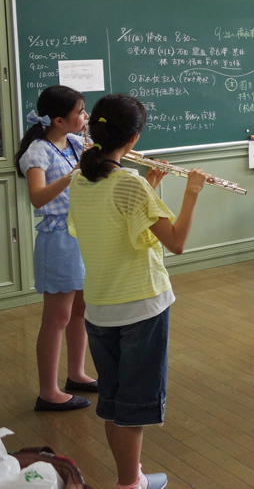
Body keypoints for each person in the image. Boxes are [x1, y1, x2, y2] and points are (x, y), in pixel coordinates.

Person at [68, 93, 207, 489]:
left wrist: (150, 185)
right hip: (141, 308)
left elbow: (118, 221)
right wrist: (193, 191)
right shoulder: (129, 183)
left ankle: (133, 476)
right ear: (134, 138)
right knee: (135, 406)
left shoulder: (80, 179)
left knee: (113, 401)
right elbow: (176, 242)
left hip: (99, 306)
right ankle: (130, 484)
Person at [15, 85, 97, 412]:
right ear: (59, 121)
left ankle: (76, 374)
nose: (86, 116)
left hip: (82, 233)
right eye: (80, 111)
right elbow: (37, 198)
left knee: (80, 310)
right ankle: (48, 391)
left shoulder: (76, 143)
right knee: (56, 317)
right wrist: (72, 176)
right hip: (58, 238)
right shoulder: (38, 151)